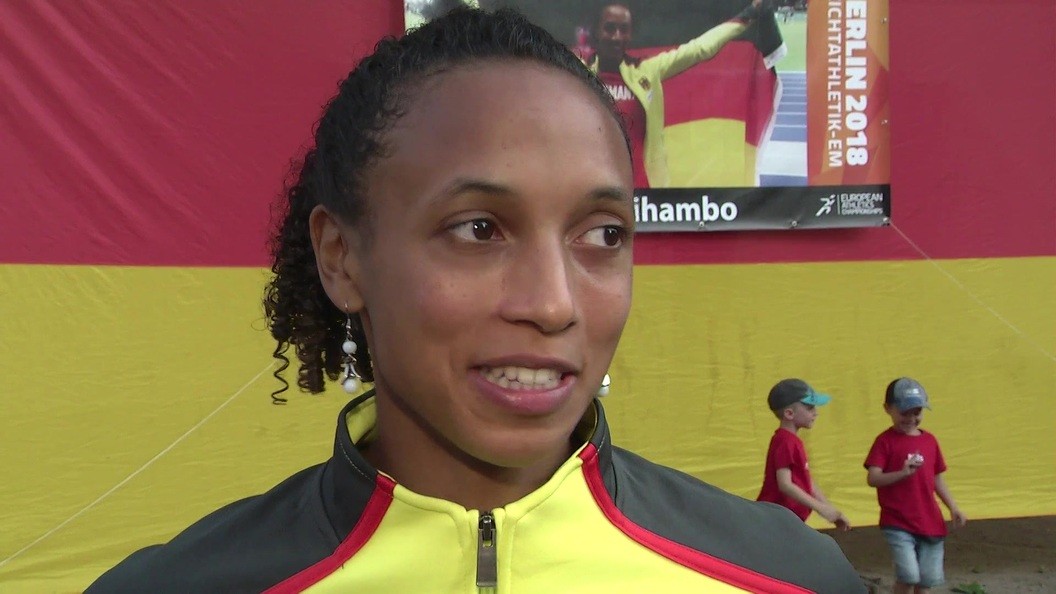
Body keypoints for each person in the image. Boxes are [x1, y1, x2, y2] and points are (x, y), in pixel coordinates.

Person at [87, 8, 864, 593]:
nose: (554, 304)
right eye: (479, 229)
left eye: (601, 235)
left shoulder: (789, 577)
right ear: (341, 258)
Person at [587, 0, 775, 188]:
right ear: (596, 31)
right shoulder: (578, 74)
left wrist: (749, 14)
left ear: (630, 35)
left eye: (623, 29)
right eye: (609, 28)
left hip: (644, 192)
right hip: (594, 190)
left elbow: (699, 49)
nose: (616, 37)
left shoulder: (647, 71)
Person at [864, 378, 968, 594]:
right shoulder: (884, 441)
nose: (911, 418)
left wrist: (953, 507)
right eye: (905, 413)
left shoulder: (929, 441)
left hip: (929, 520)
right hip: (897, 521)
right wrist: (902, 474)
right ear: (888, 409)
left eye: (917, 412)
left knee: (926, 580)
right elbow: (873, 478)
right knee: (908, 575)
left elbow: (937, 478)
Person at [756, 378, 851, 530]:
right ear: (789, 413)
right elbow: (785, 484)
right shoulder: (785, 441)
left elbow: (807, 481)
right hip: (775, 521)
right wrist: (821, 508)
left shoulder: (792, 441)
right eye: (809, 408)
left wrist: (830, 509)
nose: (815, 413)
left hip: (785, 520)